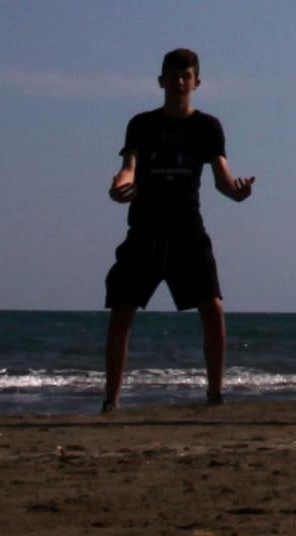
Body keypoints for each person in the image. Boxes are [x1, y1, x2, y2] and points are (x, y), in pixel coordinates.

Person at [102, 48, 255, 411]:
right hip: (145, 228)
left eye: (186, 77)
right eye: (173, 77)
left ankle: (215, 396)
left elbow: (222, 178)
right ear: (161, 82)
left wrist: (237, 191)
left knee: (212, 309)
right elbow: (129, 167)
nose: (179, 83)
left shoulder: (207, 127)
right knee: (122, 310)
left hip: (188, 227)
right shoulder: (142, 124)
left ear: (196, 83)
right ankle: (111, 401)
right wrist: (118, 187)